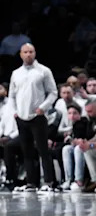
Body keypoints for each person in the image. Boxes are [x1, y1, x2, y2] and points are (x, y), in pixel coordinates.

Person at [8, 43, 58, 193]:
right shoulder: (16, 73)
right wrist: (14, 111)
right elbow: (11, 95)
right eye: (25, 52)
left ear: (35, 53)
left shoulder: (44, 71)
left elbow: (53, 92)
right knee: (27, 151)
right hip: (21, 117)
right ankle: (31, 183)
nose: (28, 54)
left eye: (31, 51)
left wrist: (43, 107)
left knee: (43, 150)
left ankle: (49, 182)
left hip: (38, 116)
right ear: (21, 54)